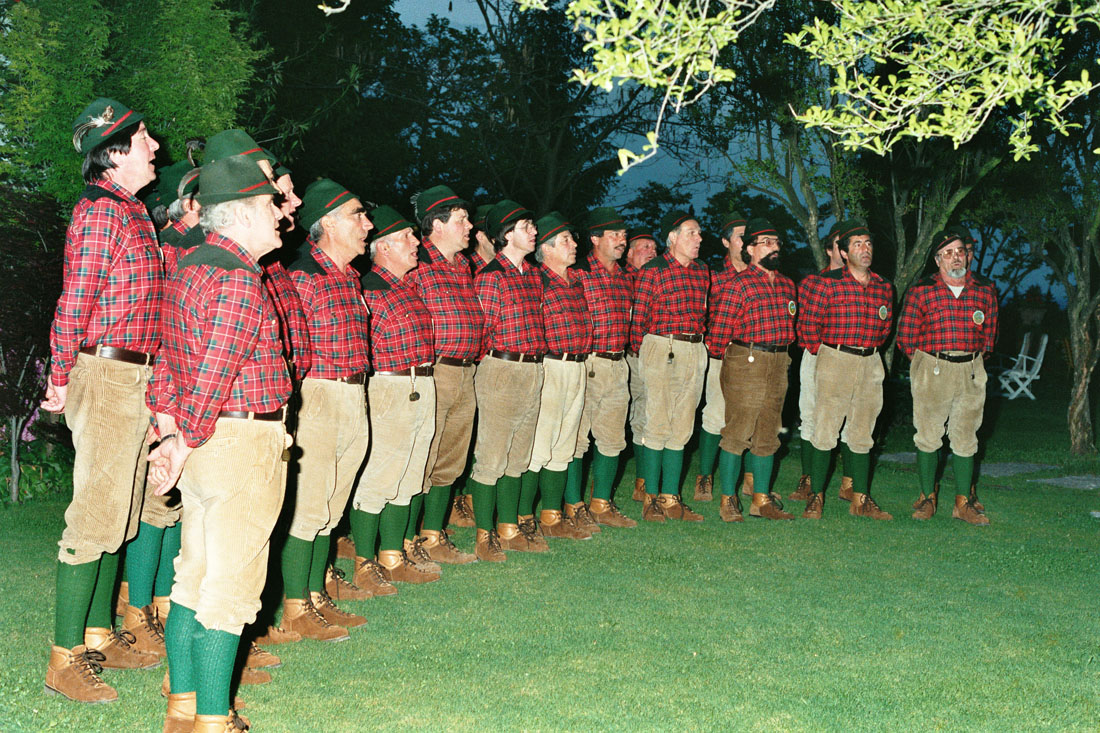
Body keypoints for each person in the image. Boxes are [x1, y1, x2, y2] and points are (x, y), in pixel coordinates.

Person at [146, 154, 292, 732]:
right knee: (230, 589)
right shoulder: (236, 276)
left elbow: (169, 362)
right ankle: (211, 720)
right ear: (242, 214)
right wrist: (184, 441)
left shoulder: (189, 265)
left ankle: (183, 709)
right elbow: (213, 370)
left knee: (193, 576)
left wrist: (170, 434)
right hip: (237, 441)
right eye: (270, 206)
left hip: (202, 441)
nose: (281, 214)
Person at [43, 97, 163, 703]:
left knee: (123, 507)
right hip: (108, 375)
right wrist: (59, 374)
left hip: (137, 376)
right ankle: (64, 659)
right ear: (113, 151)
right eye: (143, 138)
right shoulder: (99, 213)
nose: (156, 146)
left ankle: (97, 632)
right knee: (96, 512)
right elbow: (76, 297)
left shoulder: (132, 212)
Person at [280, 178, 374, 641]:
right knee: (310, 503)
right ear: (330, 223)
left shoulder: (349, 276)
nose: (367, 225)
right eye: (358, 215)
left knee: (332, 506)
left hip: (355, 394)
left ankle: (316, 596)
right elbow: (293, 349)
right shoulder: (303, 275)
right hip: (318, 396)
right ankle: (296, 604)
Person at [350, 206, 442, 585]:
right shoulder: (369, 289)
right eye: (406, 237)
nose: (415, 242)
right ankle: (363, 561)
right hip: (390, 386)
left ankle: (392, 554)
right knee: (380, 476)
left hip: (422, 383)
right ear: (383, 247)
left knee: (409, 473)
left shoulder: (408, 287)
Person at [899, 229, 998, 525]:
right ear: (937, 260)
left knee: (966, 435)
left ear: (967, 255)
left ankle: (963, 503)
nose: (956, 257)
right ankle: (927, 497)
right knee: (929, 434)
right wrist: (926, 365)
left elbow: (989, 338)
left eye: (960, 251)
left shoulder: (985, 290)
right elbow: (906, 338)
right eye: (948, 252)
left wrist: (971, 362)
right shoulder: (921, 290)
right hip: (933, 367)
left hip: (970, 369)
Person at [797, 220, 894, 520]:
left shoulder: (883, 287)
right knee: (825, 428)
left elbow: (885, 328)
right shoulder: (825, 283)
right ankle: (816, 497)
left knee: (862, 431)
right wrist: (827, 354)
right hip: (835, 359)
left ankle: (860, 498)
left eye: (868, 244)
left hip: (870, 361)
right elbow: (807, 328)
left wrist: (868, 354)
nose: (865, 250)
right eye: (856, 245)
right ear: (842, 251)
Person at [468, 200, 547, 559]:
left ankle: (509, 527)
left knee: (518, 456)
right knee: (492, 455)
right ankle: (485, 534)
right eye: (526, 226)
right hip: (501, 368)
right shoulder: (490, 277)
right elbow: (483, 330)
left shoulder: (534, 275)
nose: (533, 232)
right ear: (506, 235)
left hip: (533, 369)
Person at [708, 218, 798, 521]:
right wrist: (736, 361)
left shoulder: (787, 284)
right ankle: (728, 500)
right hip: (746, 360)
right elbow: (718, 334)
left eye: (777, 242)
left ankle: (761, 499)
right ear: (749, 249)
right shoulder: (739, 284)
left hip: (778, 361)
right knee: (738, 431)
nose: (775, 248)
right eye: (767, 242)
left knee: (768, 432)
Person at [411, 185, 482, 563]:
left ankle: (433, 534)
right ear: (437, 225)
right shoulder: (417, 264)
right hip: (435, 372)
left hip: (465, 371)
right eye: (461, 220)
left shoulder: (463, 265)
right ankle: (405, 542)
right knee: (422, 456)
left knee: (451, 459)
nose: (469, 226)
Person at [629, 210, 709, 522]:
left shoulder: (703, 271)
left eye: (699, 233)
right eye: (691, 233)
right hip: (662, 346)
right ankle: (651, 500)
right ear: (672, 238)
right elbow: (639, 320)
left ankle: (671, 497)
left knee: (683, 424)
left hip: (693, 348)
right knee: (657, 421)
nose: (698, 239)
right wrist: (649, 351)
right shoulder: (654, 270)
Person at [521, 211, 593, 541]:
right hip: (549, 365)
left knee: (565, 441)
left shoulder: (576, 281)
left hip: (577, 366)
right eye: (565, 240)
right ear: (546, 249)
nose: (573, 244)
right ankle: (523, 517)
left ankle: (551, 515)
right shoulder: (536, 280)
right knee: (540, 442)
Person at [572, 208, 636, 528]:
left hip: (617, 361)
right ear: (595, 239)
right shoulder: (578, 273)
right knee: (577, 438)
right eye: (614, 235)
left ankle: (601, 503)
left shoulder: (625, 277)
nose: (621, 241)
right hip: (588, 362)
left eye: (624, 235)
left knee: (612, 438)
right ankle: (573, 505)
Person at [790, 223, 854, 503]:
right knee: (812, 415)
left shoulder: (867, 283)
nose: (844, 249)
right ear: (830, 250)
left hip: (854, 359)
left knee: (853, 418)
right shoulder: (814, 282)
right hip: (819, 356)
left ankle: (850, 481)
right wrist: (822, 352)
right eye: (840, 244)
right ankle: (808, 479)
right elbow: (804, 326)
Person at [696, 212, 747, 515]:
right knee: (714, 415)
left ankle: (750, 480)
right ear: (726, 241)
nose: (746, 242)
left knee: (750, 419)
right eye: (740, 236)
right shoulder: (712, 274)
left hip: (752, 359)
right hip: (721, 353)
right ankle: (704, 477)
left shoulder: (760, 274)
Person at [624, 228, 657, 502]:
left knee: (644, 413)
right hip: (614, 355)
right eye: (645, 247)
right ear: (630, 252)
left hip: (643, 354)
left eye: (654, 248)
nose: (652, 252)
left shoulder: (656, 278)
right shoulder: (621, 278)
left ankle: (642, 481)